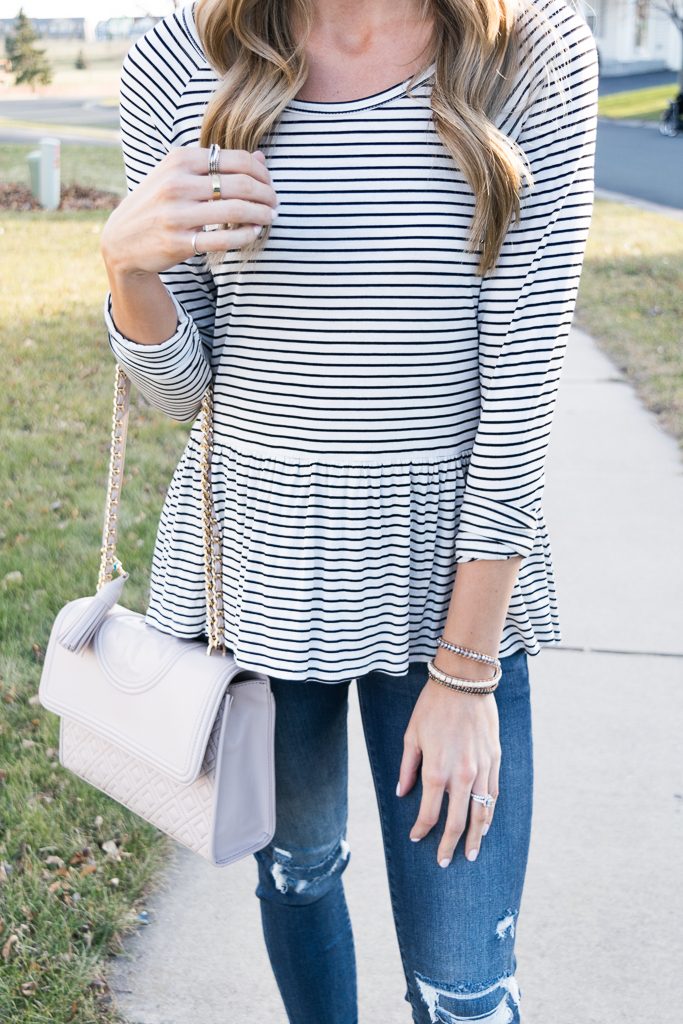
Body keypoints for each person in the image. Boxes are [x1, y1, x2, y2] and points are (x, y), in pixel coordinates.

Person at [99, 0, 598, 1019]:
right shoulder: (182, 55)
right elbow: (182, 385)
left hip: (450, 585)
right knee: (297, 871)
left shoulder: (531, 51)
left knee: (464, 989)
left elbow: (519, 391)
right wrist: (127, 264)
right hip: (265, 574)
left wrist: (464, 672)